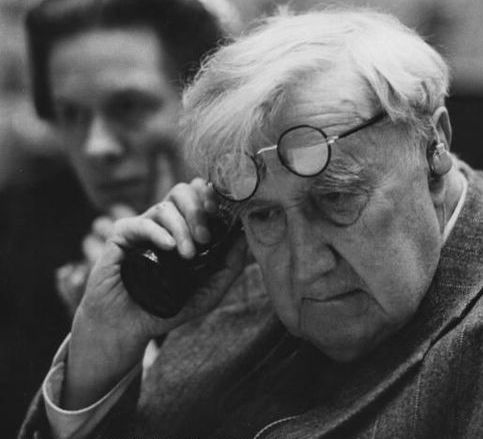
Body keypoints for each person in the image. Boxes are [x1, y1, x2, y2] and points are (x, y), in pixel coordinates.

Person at [20, 8, 483, 439]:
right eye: (264, 214)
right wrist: (102, 350)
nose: (305, 265)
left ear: (433, 146)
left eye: (336, 197)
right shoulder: (230, 295)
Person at [3, 0, 232, 436]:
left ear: (208, 102)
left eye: (128, 106)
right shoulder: (24, 247)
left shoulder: (273, 241)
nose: (96, 147)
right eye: (71, 115)